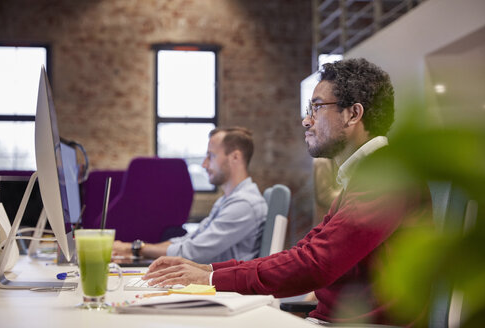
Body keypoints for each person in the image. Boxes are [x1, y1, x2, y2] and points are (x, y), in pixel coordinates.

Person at [141, 58, 430, 325]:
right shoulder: (364, 176)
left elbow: (315, 264)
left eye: (317, 107)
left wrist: (213, 277)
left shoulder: (385, 177)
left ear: (353, 114)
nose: (307, 120)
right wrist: (208, 271)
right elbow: (305, 251)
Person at [112, 127, 268, 264]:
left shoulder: (244, 204)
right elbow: (190, 240)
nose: (204, 164)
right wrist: (134, 250)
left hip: (224, 290)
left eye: (211, 156)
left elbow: (191, 253)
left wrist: (134, 249)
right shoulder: (228, 200)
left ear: (235, 157)